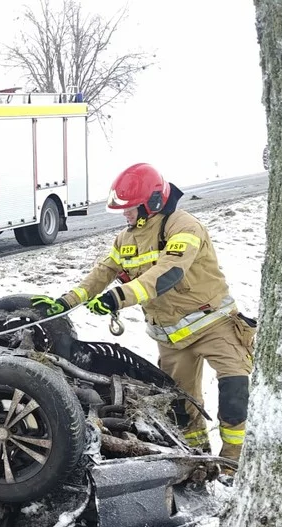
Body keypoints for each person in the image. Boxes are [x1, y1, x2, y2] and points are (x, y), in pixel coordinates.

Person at [31, 163, 257, 476]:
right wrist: (66, 302)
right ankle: (200, 460)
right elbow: (102, 273)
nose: (124, 215)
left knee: (234, 396)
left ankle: (234, 467)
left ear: (151, 203)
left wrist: (119, 297)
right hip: (171, 339)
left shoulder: (182, 226)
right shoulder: (126, 239)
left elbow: (169, 272)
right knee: (180, 409)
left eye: (129, 208)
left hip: (213, 324)